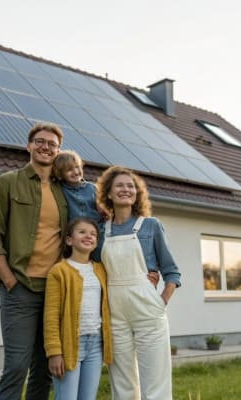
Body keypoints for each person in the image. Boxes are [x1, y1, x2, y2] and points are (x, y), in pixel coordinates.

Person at [0, 122, 68, 400]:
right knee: (17, 365)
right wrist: (9, 280)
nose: (45, 147)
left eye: (51, 144)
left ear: (58, 150)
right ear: (28, 146)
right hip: (20, 288)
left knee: (44, 368)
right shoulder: (7, 182)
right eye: (40, 142)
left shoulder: (64, 189)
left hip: (54, 290)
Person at [96, 166, 181, 400]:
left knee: (155, 381)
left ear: (137, 194)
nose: (126, 189)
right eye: (120, 186)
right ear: (109, 194)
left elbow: (172, 271)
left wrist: (160, 301)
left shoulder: (150, 226)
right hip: (115, 312)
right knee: (121, 381)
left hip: (148, 309)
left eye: (130, 186)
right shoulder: (101, 230)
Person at [44, 218, 113, 400]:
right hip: (69, 345)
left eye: (93, 234)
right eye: (82, 232)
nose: (88, 236)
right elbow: (50, 316)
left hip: (96, 345)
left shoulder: (101, 270)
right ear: (69, 240)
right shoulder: (59, 271)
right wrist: (54, 353)